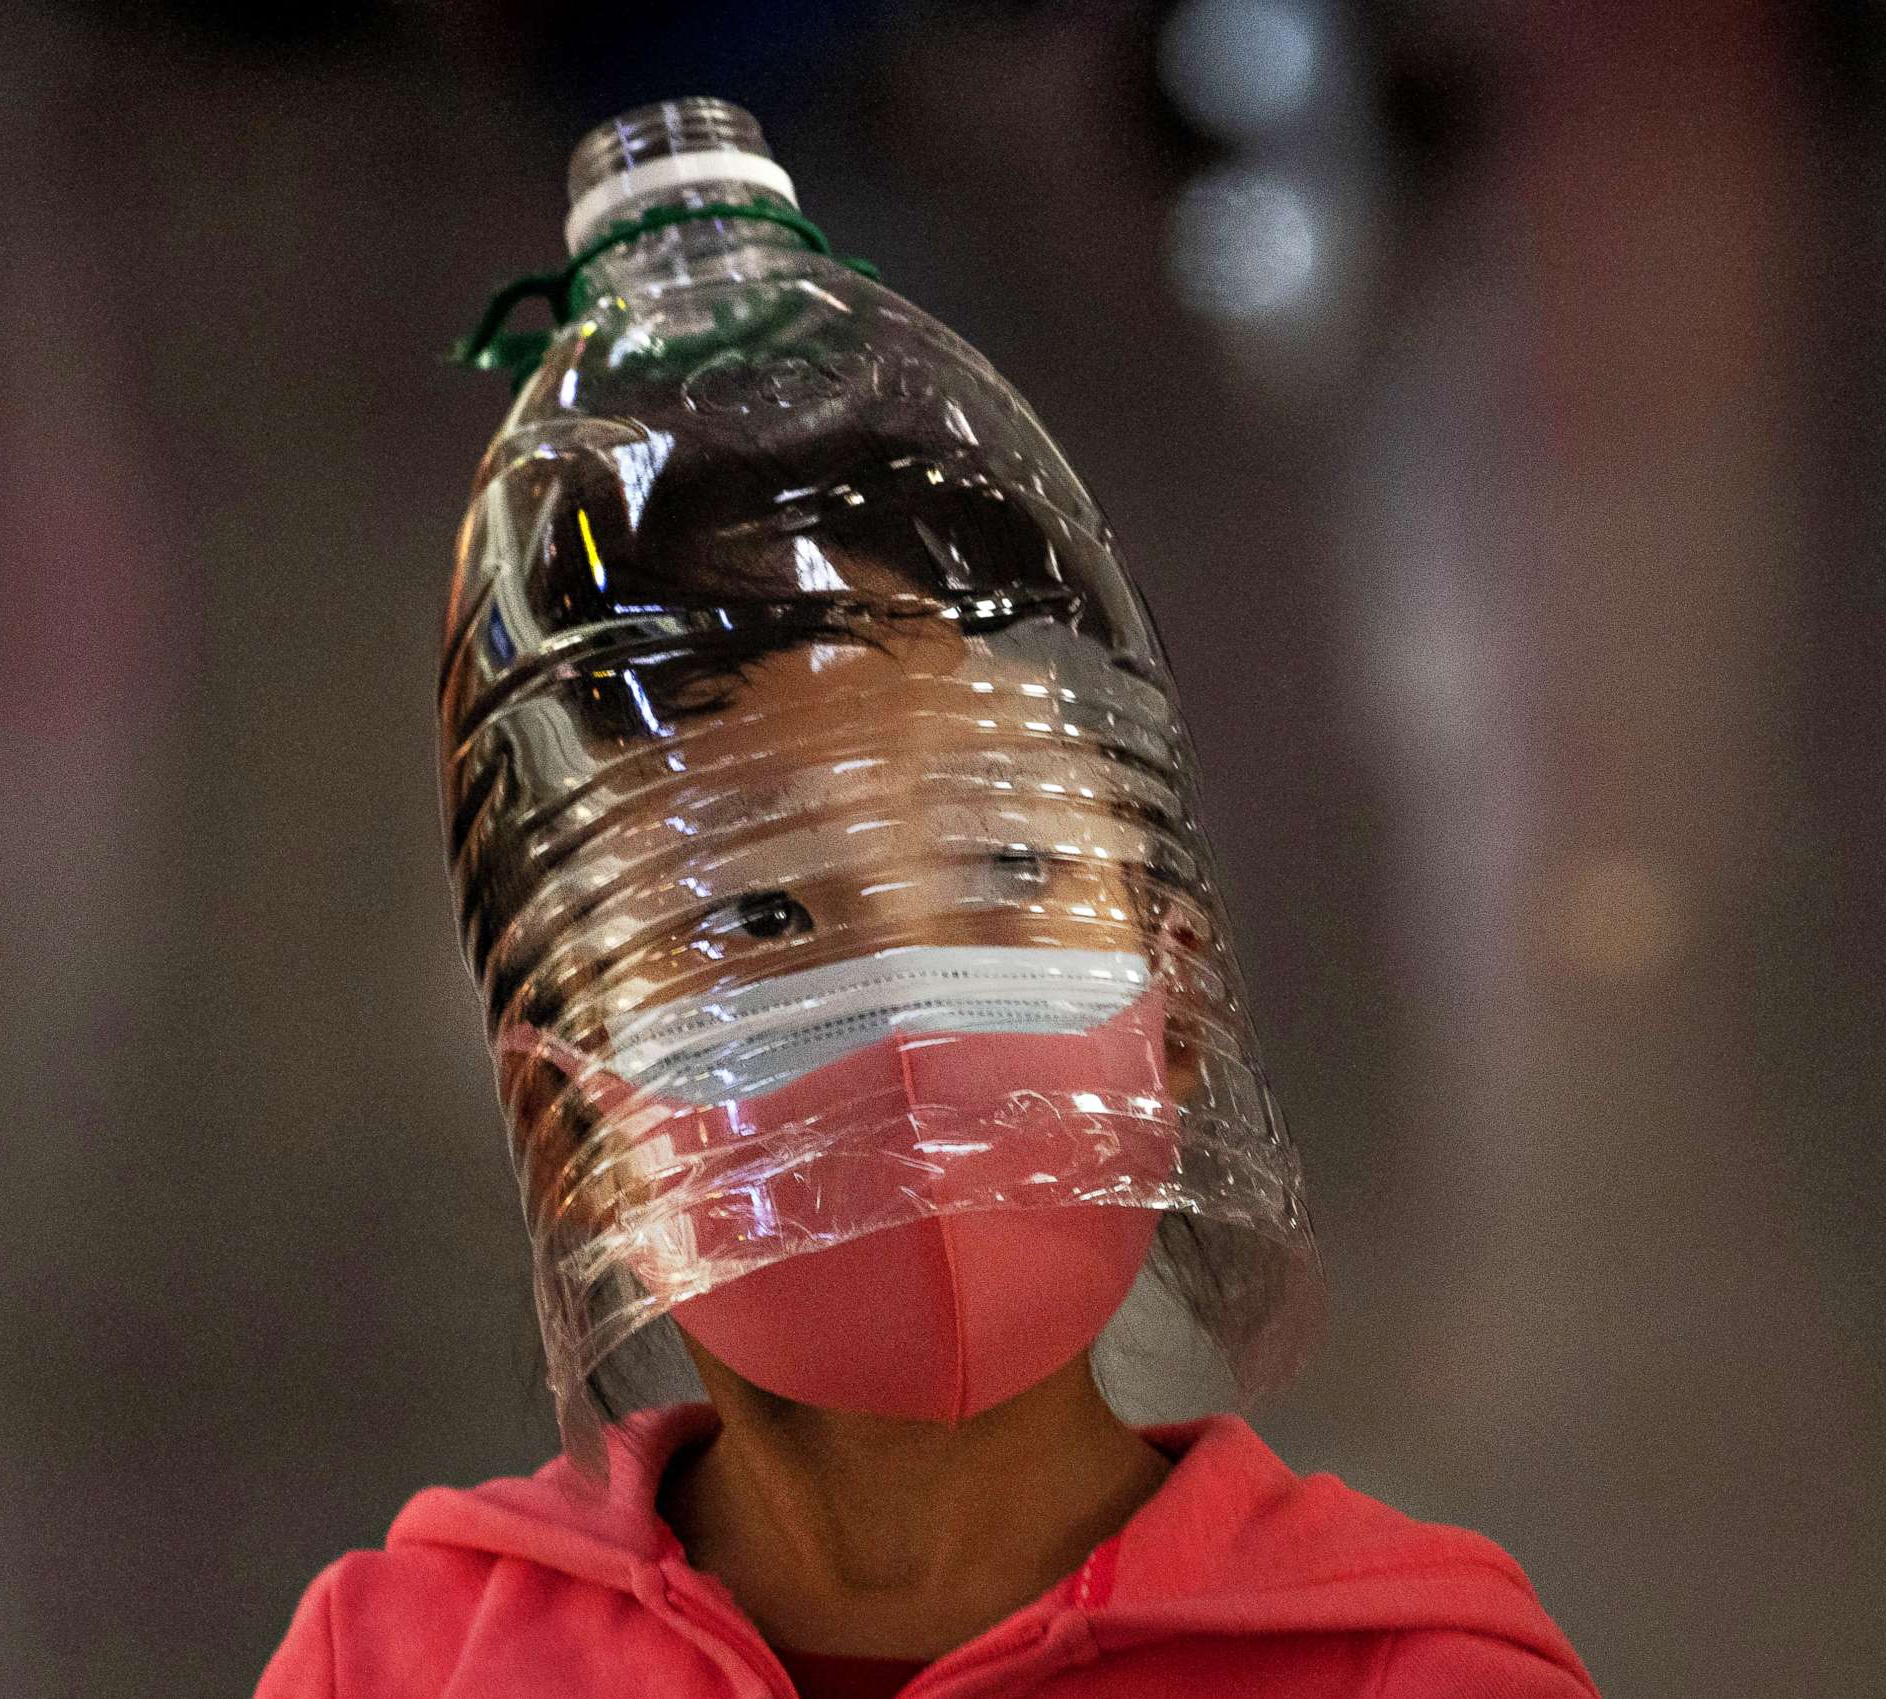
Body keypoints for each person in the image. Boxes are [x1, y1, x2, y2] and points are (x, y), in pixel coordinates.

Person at [259, 99, 1599, 1694]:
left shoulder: (1406, 1676)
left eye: (1005, 873)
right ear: (573, 1128)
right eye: (759, 916)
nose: (905, 1001)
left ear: (1166, 1021)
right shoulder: (410, 1662)